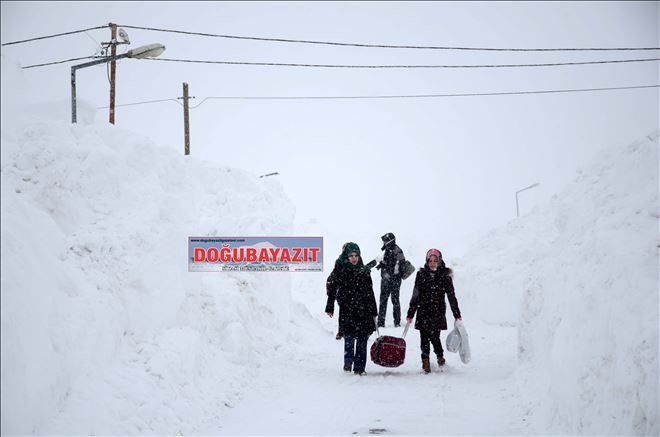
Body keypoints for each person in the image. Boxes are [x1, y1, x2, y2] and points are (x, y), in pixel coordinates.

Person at [406, 248, 462, 374]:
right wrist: (411, 313)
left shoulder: (445, 276)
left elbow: (451, 296)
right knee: (424, 338)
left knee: (435, 337)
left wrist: (457, 314)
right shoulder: (421, 275)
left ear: (439, 261)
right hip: (423, 311)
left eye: (435, 261)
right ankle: (425, 360)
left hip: (437, 312)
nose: (432, 263)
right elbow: (415, 295)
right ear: (427, 261)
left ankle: (440, 357)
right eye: (430, 260)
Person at [325, 242, 378, 376]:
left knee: (362, 339)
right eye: (351, 256)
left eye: (356, 255)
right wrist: (330, 306)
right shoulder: (342, 270)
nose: (354, 258)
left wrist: (374, 311)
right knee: (349, 338)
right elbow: (332, 288)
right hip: (348, 310)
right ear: (346, 257)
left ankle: (359, 368)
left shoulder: (364, 272)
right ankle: (348, 362)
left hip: (364, 311)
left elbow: (370, 292)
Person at [376, 232, 406, 327]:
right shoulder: (389, 249)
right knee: (385, 300)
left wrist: (385, 266)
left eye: (385, 241)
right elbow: (389, 262)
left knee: (394, 300)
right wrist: (382, 264)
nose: (384, 243)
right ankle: (381, 322)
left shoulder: (397, 251)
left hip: (394, 280)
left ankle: (396, 322)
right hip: (386, 279)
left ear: (389, 241)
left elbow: (400, 266)